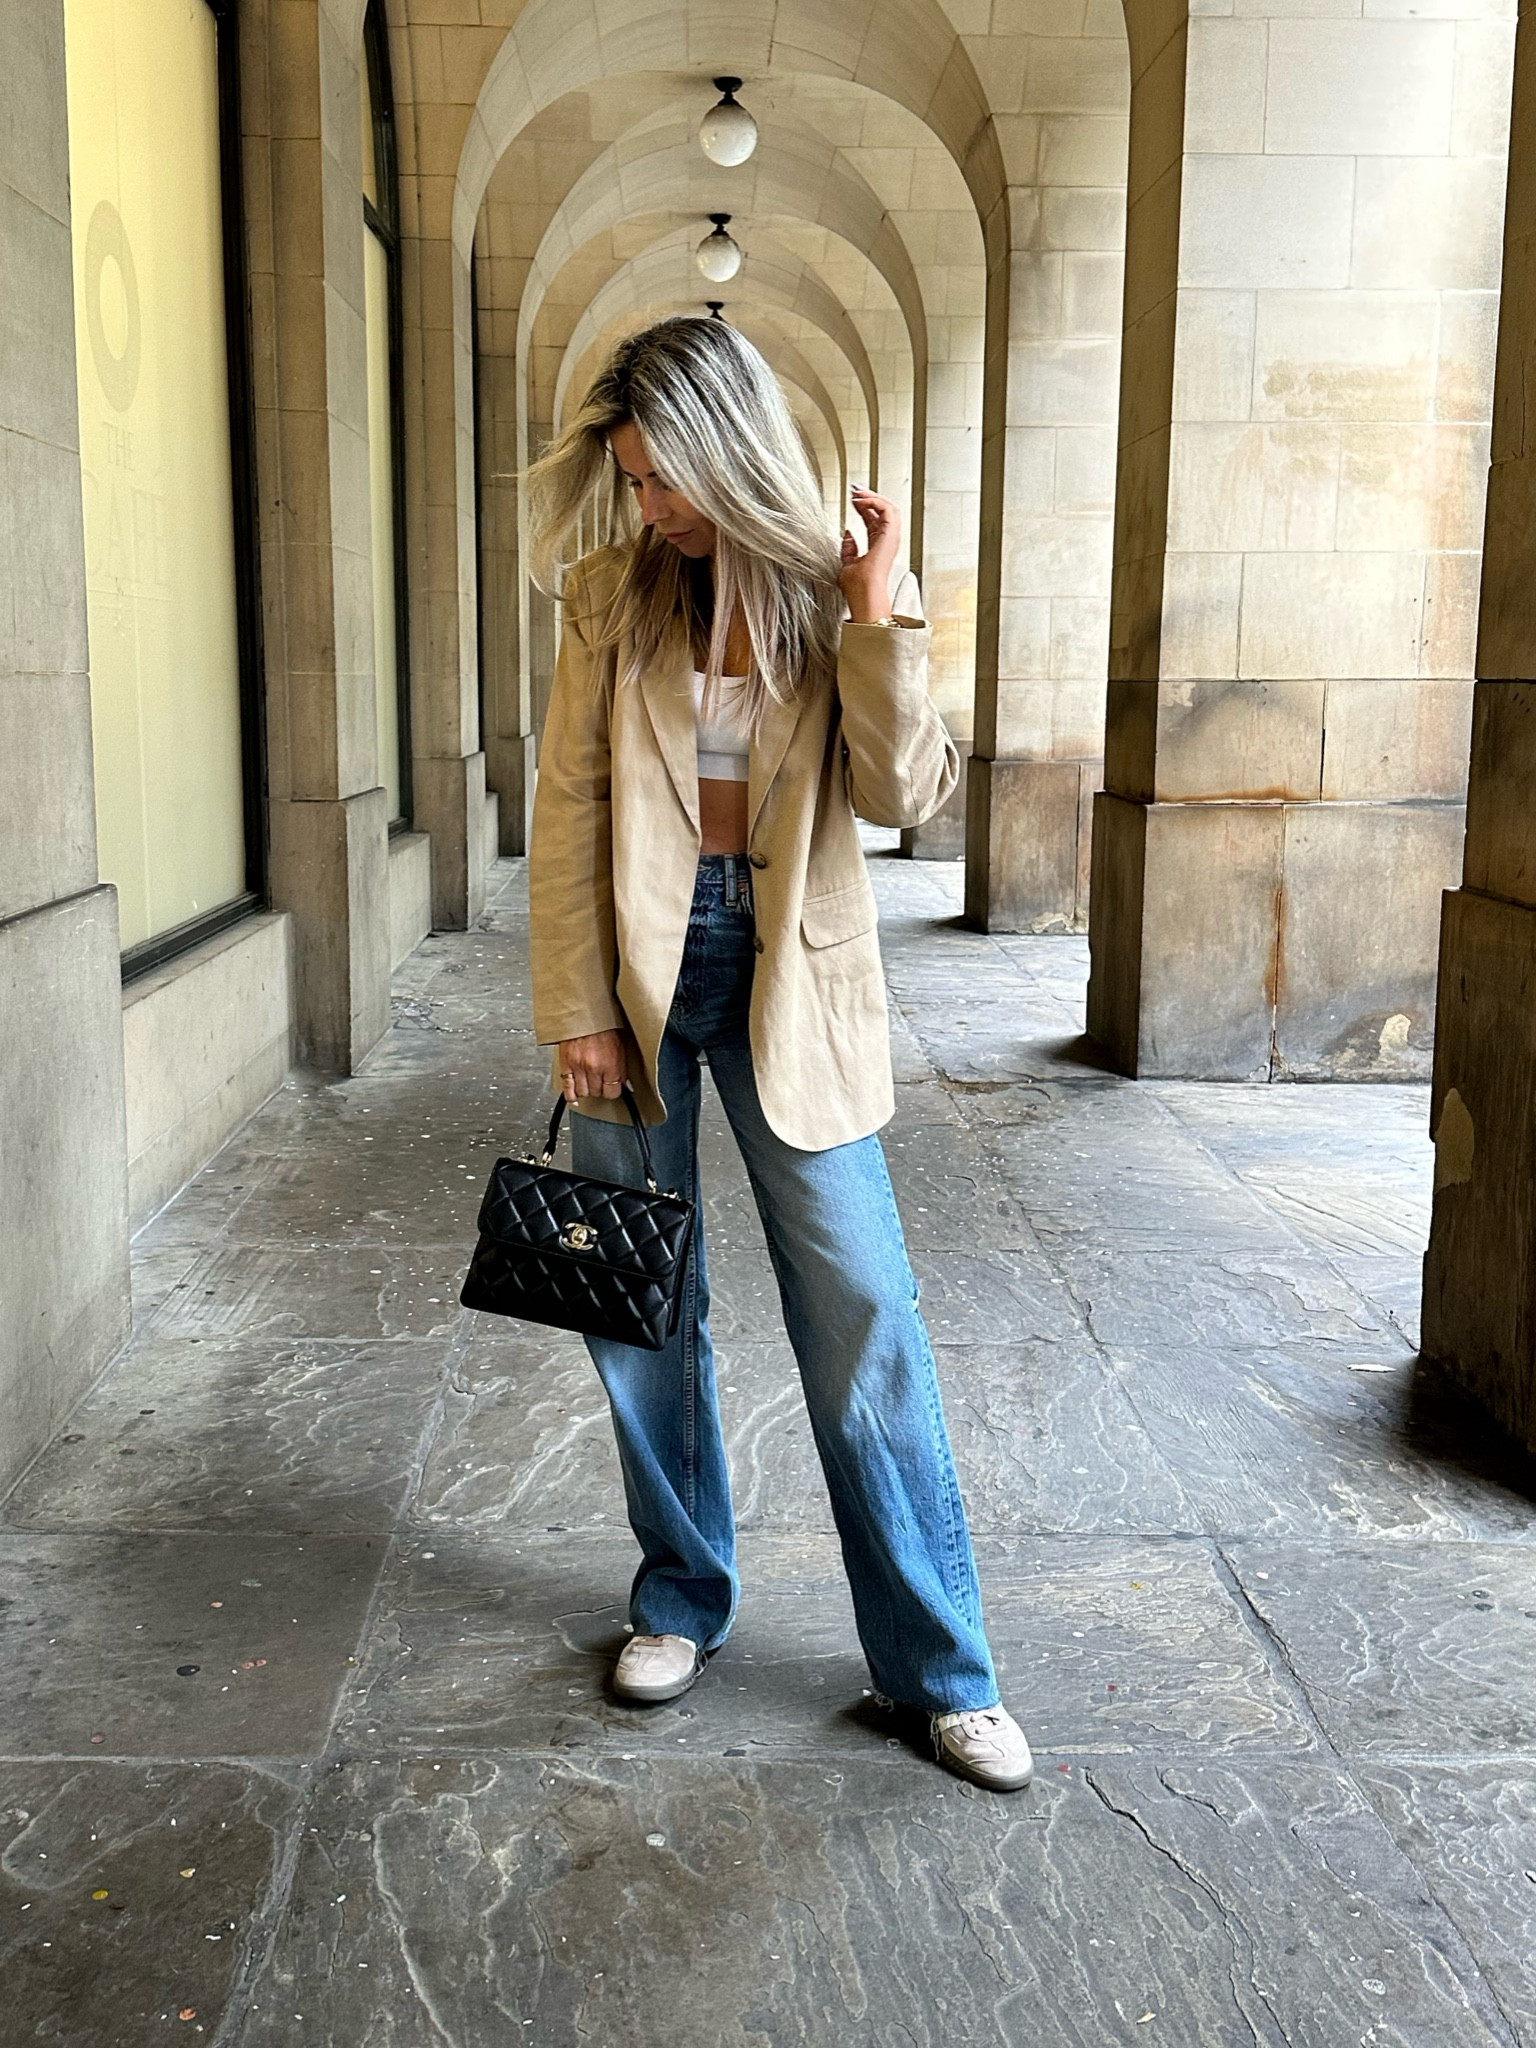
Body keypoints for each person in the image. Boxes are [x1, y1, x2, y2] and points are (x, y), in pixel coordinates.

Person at [524, 316, 1032, 1793]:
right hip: (636, 972)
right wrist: (575, 1006)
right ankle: (680, 1596)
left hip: (790, 977)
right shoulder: (611, 596)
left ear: (734, 455)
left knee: (863, 1305)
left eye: (666, 478)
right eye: (634, 481)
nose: (650, 507)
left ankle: (941, 1670)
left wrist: (881, 618)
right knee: (640, 1301)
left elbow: (904, 792)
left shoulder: (837, 588)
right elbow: (570, 803)